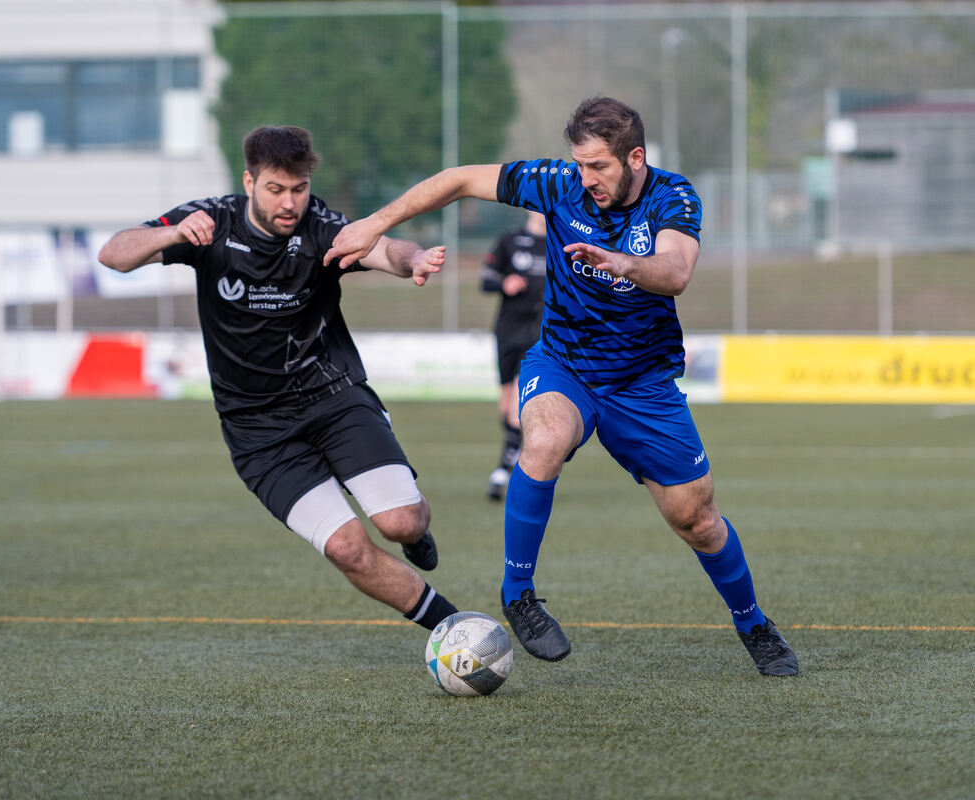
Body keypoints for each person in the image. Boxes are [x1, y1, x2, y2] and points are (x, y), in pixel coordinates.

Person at [325, 97, 799, 676]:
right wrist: (374, 224)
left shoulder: (672, 196)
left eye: (598, 166)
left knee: (696, 520)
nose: (586, 177)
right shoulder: (556, 183)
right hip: (563, 365)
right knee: (544, 440)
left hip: (642, 383)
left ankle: (753, 623)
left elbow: (676, 271)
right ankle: (519, 594)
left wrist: (623, 263)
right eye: (579, 164)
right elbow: (458, 179)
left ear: (635, 158)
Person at [98, 125, 458, 632]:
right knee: (346, 548)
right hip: (257, 429)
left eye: (299, 188)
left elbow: (383, 250)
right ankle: (456, 628)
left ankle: (416, 532)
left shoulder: (320, 226)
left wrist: (414, 259)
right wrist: (172, 234)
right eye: (275, 189)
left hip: (334, 398)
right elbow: (113, 253)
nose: (289, 202)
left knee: (400, 522)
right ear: (249, 182)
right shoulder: (210, 222)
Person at [480, 209, 547, 501]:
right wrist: (504, 283)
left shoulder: (562, 242)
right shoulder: (509, 240)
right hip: (507, 331)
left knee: (518, 406)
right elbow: (485, 280)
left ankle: (502, 472)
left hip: (540, 334)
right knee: (506, 405)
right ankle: (517, 450)